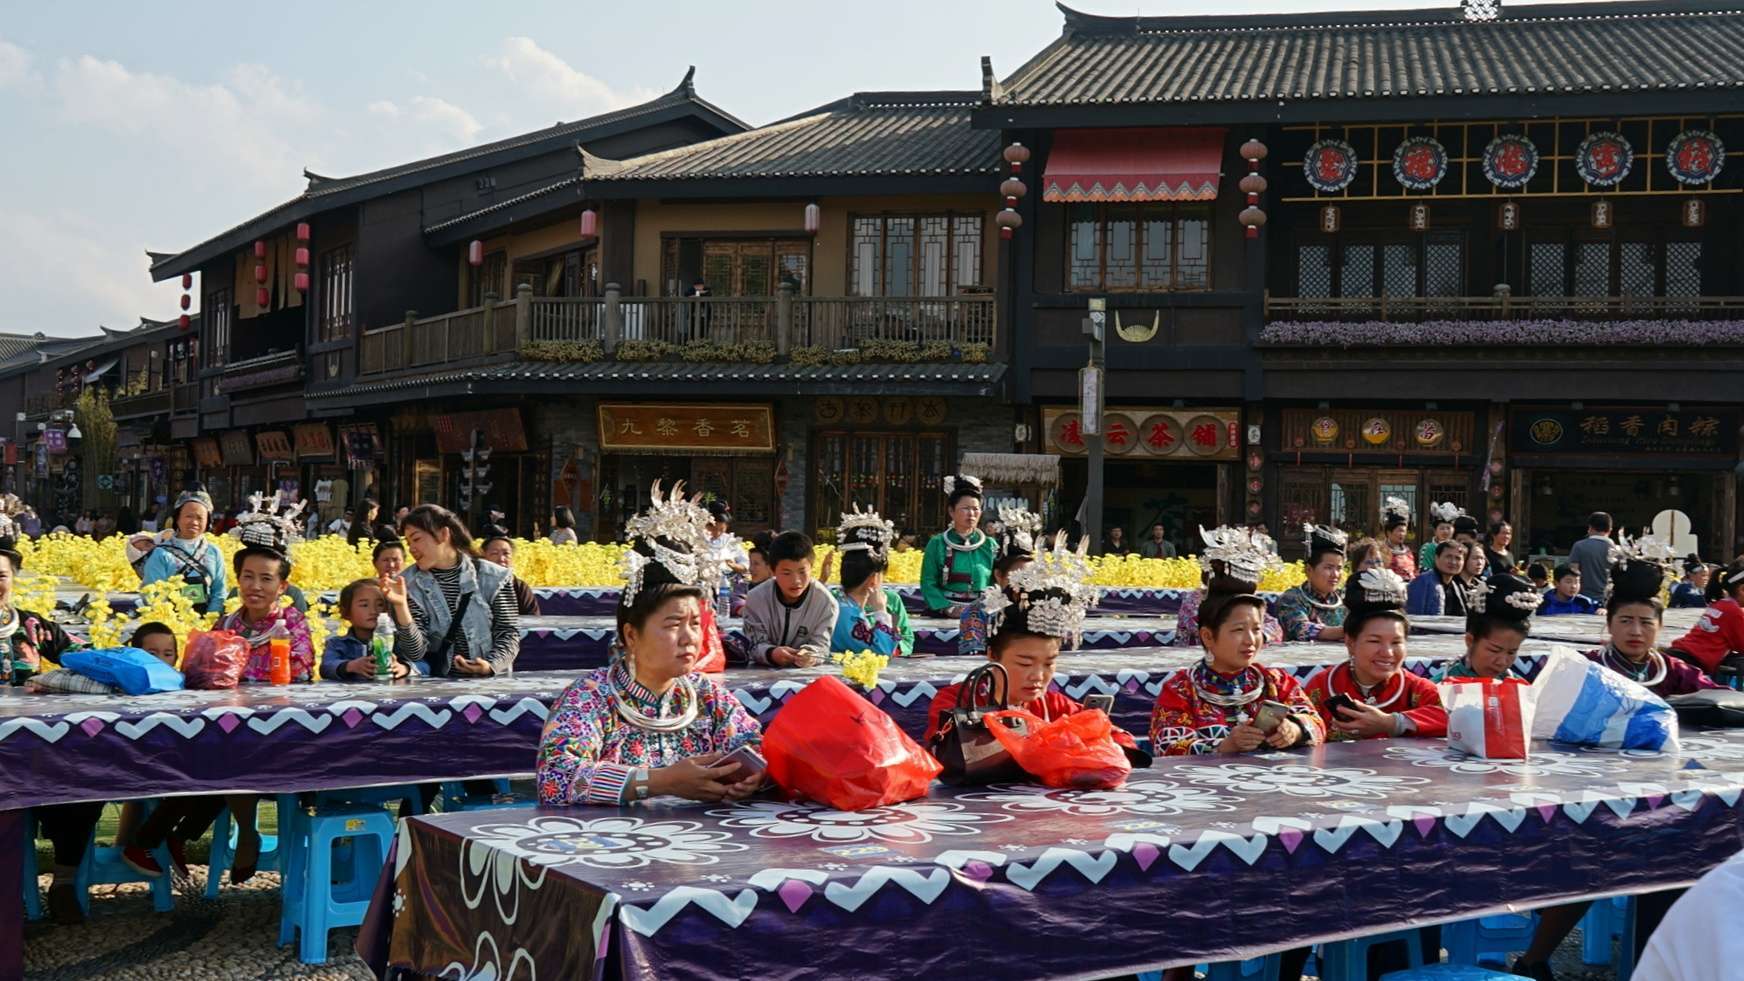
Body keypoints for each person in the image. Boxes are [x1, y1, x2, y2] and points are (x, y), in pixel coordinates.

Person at [128, 496, 313, 886]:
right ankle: (179, 836)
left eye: (266, 579)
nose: (255, 586)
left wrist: (242, 671)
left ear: (283, 585)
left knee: (225, 757)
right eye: (248, 576)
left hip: (279, 728)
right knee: (205, 752)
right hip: (231, 726)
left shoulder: (291, 622)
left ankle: (165, 837)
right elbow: (207, 672)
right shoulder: (227, 620)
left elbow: (298, 669)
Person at [535, 488, 762, 806]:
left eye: (695, 624)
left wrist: (753, 777)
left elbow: (751, 745)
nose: (689, 638)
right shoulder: (591, 698)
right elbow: (555, 778)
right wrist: (659, 782)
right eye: (672, 625)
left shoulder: (707, 697)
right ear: (631, 635)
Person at [926, 536, 1146, 763]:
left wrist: (1095, 737)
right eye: (1024, 663)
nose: (1039, 676)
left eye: (1049, 663)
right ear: (992, 656)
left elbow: (1120, 738)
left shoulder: (1052, 704)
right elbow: (948, 757)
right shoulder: (955, 702)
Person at [1151, 528, 1325, 756]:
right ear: (1208, 636)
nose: (1251, 639)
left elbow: (1316, 722)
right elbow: (1166, 745)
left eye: (1256, 629)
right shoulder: (1181, 689)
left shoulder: (1276, 682)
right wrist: (1223, 746)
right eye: (1239, 630)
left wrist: (1294, 729)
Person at [7, 536, 86, 923]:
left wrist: (56, 682)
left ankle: (65, 882)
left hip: (34, 746)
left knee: (84, 783)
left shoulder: (33, 626)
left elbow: (86, 660)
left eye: (0, 575)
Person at [1306, 568, 1447, 744]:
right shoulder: (1321, 687)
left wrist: (1392, 723)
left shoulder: (1416, 689)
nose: (1387, 652)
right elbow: (1300, 722)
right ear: (1350, 642)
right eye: (1374, 641)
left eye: (1396, 642)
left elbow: (1455, 719)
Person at [385, 504, 521, 677]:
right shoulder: (407, 584)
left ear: (444, 534)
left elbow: (508, 633)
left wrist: (490, 666)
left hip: (489, 686)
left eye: (416, 539)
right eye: (408, 542)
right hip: (439, 689)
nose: (411, 549)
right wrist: (401, 606)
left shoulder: (493, 577)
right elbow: (415, 653)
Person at [1174, 526, 1285, 647]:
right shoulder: (1194, 600)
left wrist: (1262, 635)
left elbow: (1273, 626)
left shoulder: (1246, 601)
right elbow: (1215, 632)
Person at [742, 530, 837, 667]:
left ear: (812, 568)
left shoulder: (825, 602)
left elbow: (821, 646)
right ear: (773, 571)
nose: (796, 581)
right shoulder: (756, 598)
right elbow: (753, 645)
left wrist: (810, 655)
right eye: (786, 573)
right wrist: (771, 653)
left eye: (802, 572)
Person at [829, 506, 914, 658]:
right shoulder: (838, 605)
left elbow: (907, 639)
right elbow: (881, 651)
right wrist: (881, 612)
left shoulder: (892, 600)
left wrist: (898, 645)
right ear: (874, 578)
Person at [960, 508, 1042, 656]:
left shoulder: (1042, 606)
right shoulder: (977, 611)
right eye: (1017, 576)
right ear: (998, 576)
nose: (1024, 583)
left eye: (1030, 576)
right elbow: (971, 660)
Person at [1435, 572, 1539, 681]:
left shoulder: (1520, 688)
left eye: (1511, 652)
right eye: (1494, 650)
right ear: (1470, 641)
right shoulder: (1438, 688)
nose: (1502, 662)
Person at [139, 488, 227, 616]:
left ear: (208, 521)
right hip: (172, 625)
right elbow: (153, 595)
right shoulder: (161, 554)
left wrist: (211, 620)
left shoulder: (213, 552)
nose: (194, 522)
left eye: (200, 518)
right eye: (189, 516)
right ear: (177, 519)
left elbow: (219, 591)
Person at [919, 474, 996, 616]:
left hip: (983, 612)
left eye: (976, 509)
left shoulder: (990, 545)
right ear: (951, 511)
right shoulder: (937, 544)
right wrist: (948, 608)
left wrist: (988, 607)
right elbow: (928, 582)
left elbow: (998, 581)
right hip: (945, 612)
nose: (971, 514)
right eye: (966, 508)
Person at [321, 578, 417, 680]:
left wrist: (405, 668)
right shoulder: (338, 644)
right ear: (346, 612)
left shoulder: (397, 640)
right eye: (364, 605)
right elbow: (326, 668)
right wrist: (350, 666)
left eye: (380, 605)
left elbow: (424, 664)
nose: (373, 611)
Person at [1667, 559, 1744, 677]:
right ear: (1742, 590)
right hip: (1689, 665)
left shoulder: (1720, 604)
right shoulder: (1733, 612)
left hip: (1679, 656)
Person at [1276, 524, 1348, 642]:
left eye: (1339, 568)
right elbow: (1301, 629)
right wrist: (1351, 630)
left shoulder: (1345, 598)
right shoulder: (1292, 598)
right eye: (1328, 568)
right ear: (1309, 570)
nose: (1335, 574)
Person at [480, 533, 541, 616]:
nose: (501, 559)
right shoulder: (474, 585)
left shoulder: (520, 587)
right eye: (494, 553)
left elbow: (533, 619)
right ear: (484, 557)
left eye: (506, 554)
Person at [1406, 540, 1471, 617]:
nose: (1453, 562)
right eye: (1448, 557)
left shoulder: (1457, 586)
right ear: (1436, 558)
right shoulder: (1422, 582)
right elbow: (1413, 617)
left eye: (1458, 558)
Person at [1568, 511, 1615, 603]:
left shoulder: (1579, 546)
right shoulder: (1618, 550)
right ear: (1610, 530)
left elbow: (1572, 572)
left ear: (1590, 528)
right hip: (1609, 601)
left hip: (1583, 600)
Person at [730, 532, 773, 618]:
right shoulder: (744, 583)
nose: (750, 568)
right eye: (750, 563)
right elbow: (735, 601)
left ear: (770, 567)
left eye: (756, 564)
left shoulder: (780, 586)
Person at [1381, 496, 1417, 580]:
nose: (1402, 534)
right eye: (1399, 530)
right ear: (1389, 532)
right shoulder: (1381, 551)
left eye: (1404, 531)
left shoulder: (1407, 551)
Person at [1418, 502, 1459, 571]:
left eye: (1448, 528)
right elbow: (1424, 570)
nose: (1445, 531)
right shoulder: (1428, 547)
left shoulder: (1458, 548)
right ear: (1435, 531)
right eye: (1442, 528)